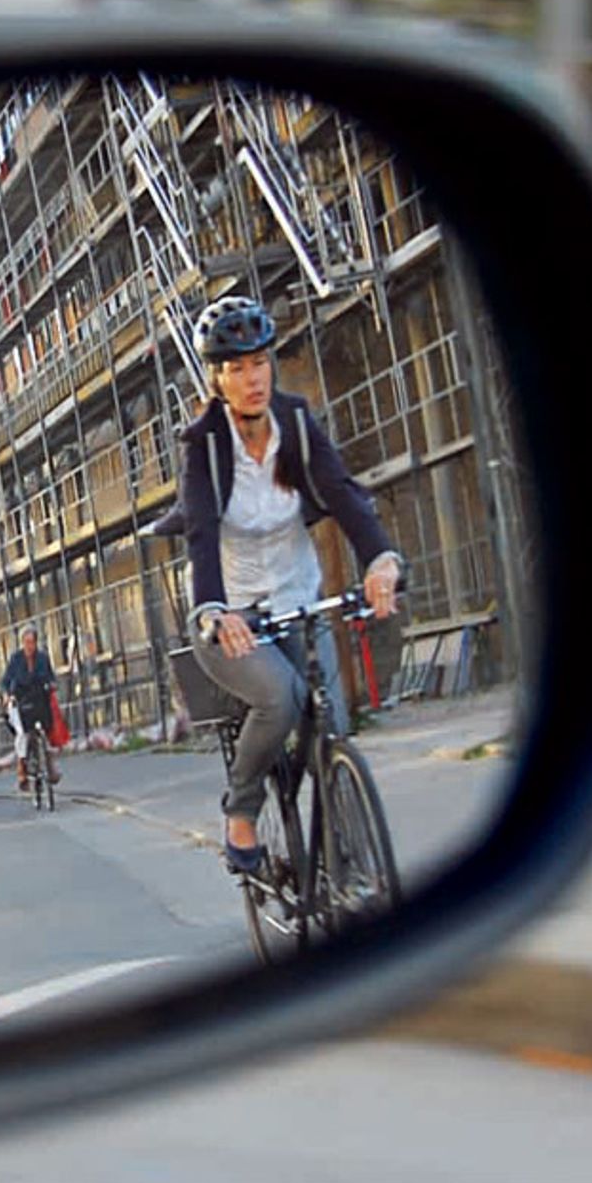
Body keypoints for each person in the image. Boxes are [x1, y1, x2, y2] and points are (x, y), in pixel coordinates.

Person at [178, 295, 403, 875]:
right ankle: (243, 809)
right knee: (279, 697)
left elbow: (342, 494)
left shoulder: (297, 425)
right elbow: (201, 532)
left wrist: (379, 558)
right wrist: (212, 611)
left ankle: (342, 862)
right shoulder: (203, 445)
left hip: (298, 595)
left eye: (259, 362)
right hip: (230, 614)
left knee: (331, 723)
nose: (251, 378)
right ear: (217, 378)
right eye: (236, 367)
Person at [0, 625, 59, 793]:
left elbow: (51, 676)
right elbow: (5, 681)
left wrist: (53, 685)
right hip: (20, 700)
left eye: (32, 642)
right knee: (22, 734)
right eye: (26, 642)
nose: (30, 646)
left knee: (48, 727)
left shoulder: (42, 658)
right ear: (22, 643)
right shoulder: (16, 660)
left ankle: (50, 765)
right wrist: (6, 695)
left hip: (38, 698)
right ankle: (22, 768)